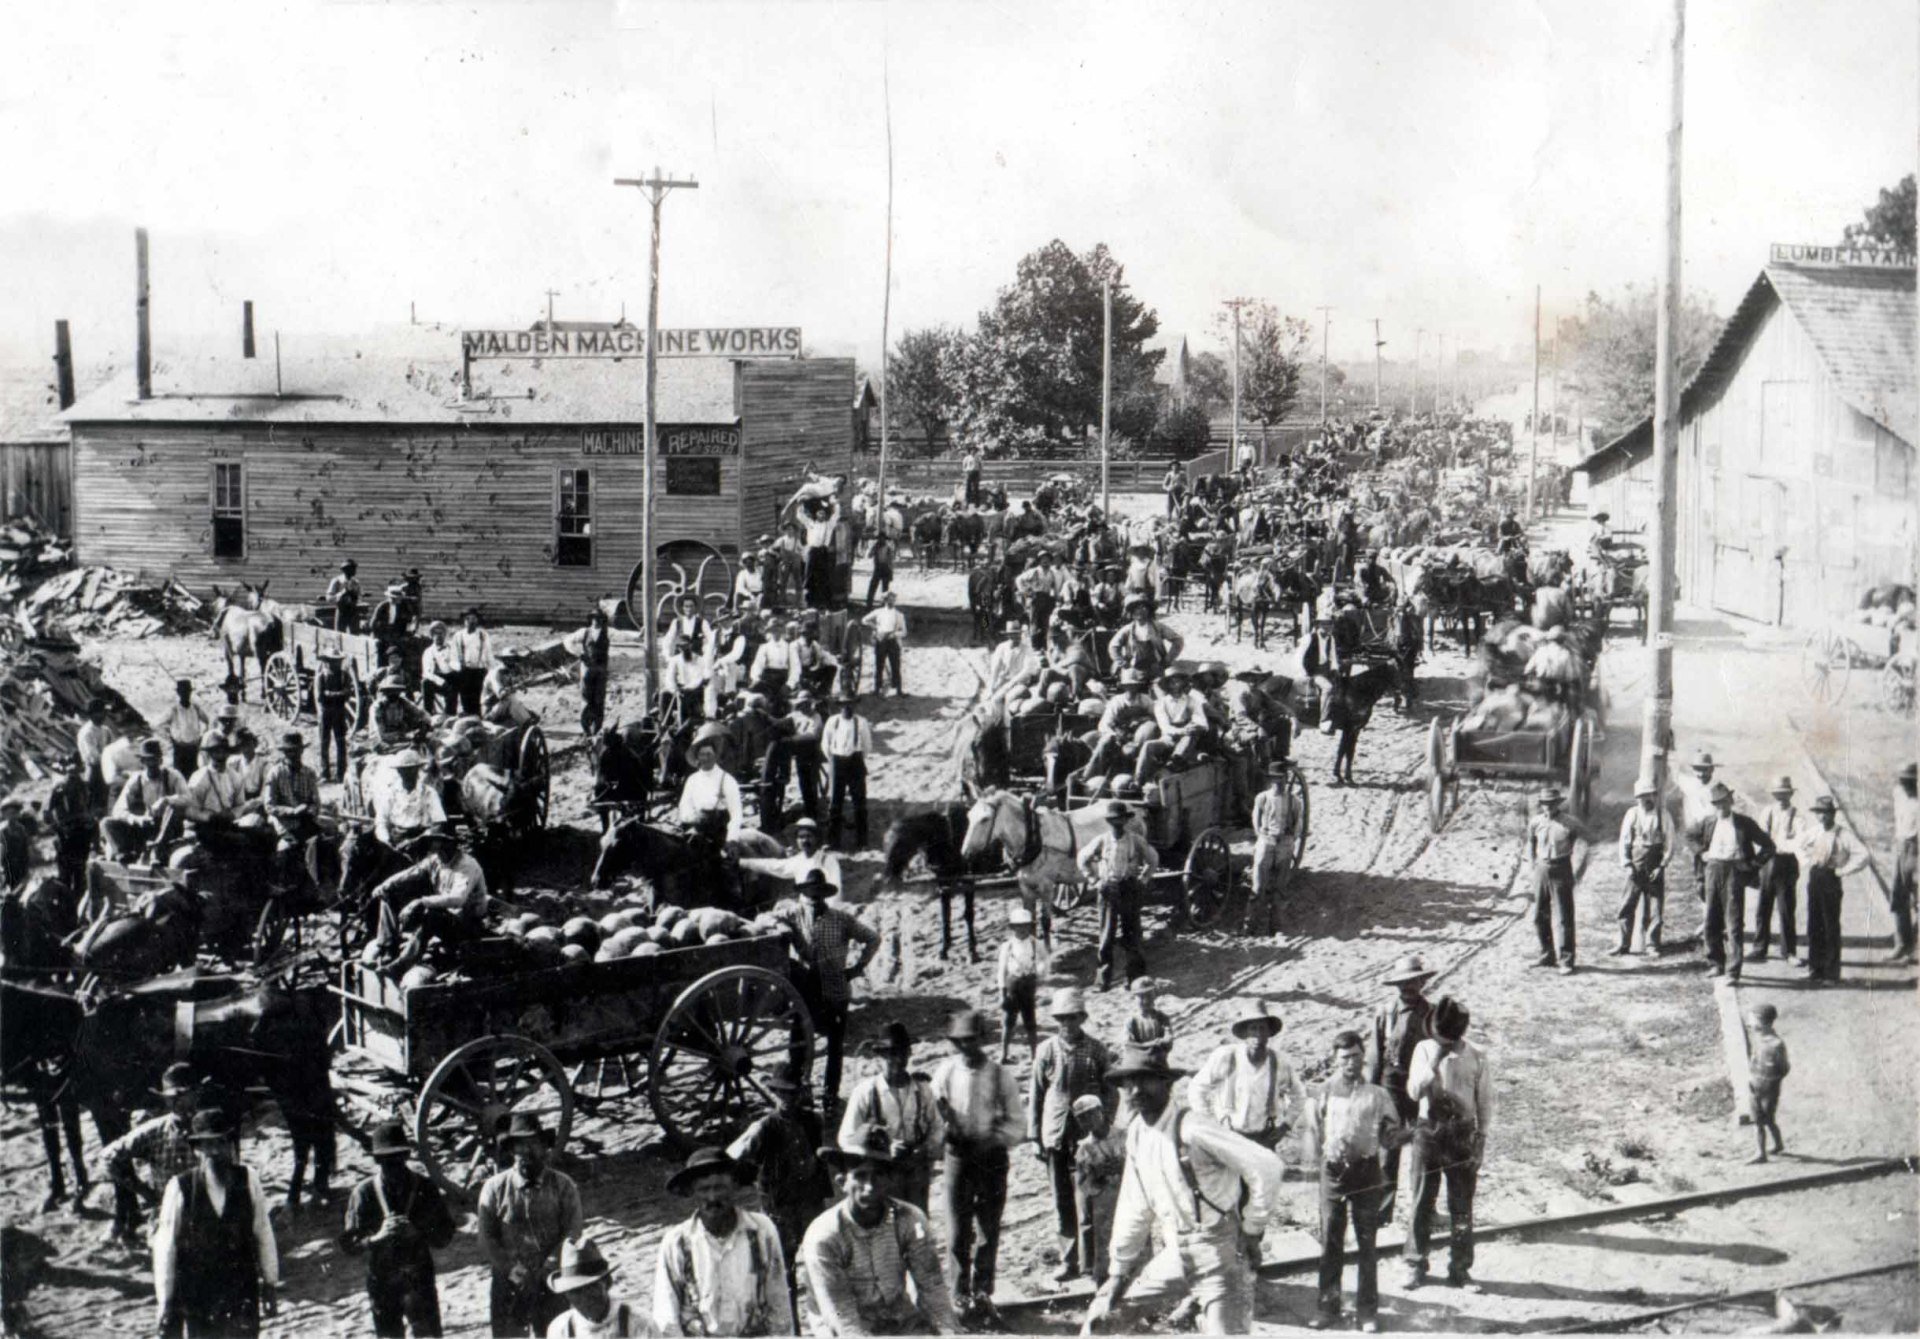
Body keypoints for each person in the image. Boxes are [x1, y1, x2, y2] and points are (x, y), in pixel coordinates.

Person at [1081, 1044, 1284, 1336]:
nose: (1136, 1090)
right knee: (1102, 1320)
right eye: (1130, 1082)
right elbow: (1134, 1206)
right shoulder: (1138, 1133)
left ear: (1166, 1082)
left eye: (1145, 1079)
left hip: (1219, 1254)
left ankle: (1206, 1314)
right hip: (1175, 1252)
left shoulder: (1193, 1128)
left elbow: (1267, 1166)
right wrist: (1117, 1272)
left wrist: (1253, 1229)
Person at [799, 1123, 959, 1336]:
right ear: (842, 1182)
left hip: (897, 1317)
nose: (870, 1186)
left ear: (891, 1179)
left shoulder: (910, 1220)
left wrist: (951, 1333)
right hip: (842, 1324)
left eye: (878, 1175)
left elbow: (932, 1288)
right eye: (860, 1176)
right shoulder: (824, 1235)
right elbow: (840, 1313)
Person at [1305, 1031, 1408, 1332]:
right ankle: (1327, 1308)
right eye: (1344, 1058)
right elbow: (1314, 1135)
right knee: (1331, 1243)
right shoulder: (1323, 1092)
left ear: (1364, 1057)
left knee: (1367, 1244)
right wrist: (1325, 1159)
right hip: (1334, 1174)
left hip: (1367, 1173)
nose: (1350, 1063)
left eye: (1355, 1056)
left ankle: (1367, 1312)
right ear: (1335, 1061)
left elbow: (1390, 1138)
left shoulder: (1378, 1095)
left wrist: (1409, 1134)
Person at [152, 1108, 279, 1339]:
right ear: (197, 1148)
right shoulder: (180, 1188)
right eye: (207, 1145)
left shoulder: (248, 1179)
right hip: (199, 1292)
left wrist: (270, 1283)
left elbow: (263, 1232)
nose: (215, 1151)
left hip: (241, 1288)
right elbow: (166, 1248)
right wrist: (166, 1302)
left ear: (230, 1144)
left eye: (220, 1143)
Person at [930, 1010, 1023, 1321]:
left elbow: (1018, 1124)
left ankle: (983, 1294)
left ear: (982, 1039)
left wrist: (993, 1137)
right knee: (957, 1230)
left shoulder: (1000, 1075)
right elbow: (932, 1113)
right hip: (958, 1157)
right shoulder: (945, 1072)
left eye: (972, 1040)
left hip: (991, 1158)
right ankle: (959, 1295)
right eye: (960, 1042)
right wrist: (946, 1127)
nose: (966, 1047)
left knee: (988, 1229)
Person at [1400, 998, 1492, 1292]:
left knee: (1462, 1207)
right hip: (1428, 1132)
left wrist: (1481, 1141)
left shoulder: (1477, 1056)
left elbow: (1485, 1102)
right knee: (1421, 1200)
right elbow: (1414, 1092)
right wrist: (1434, 1060)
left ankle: (1460, 1268)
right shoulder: (1423, 1050)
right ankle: (1415, 1264)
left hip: (1462, 1135)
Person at [653, 1147, 793, 1338]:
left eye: (719, 1187)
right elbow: (666, 1314)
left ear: (734, 1185)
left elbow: (778, 1300)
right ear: (693, 1191)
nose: (712, 1198)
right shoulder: (677, 1242)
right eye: (704, 1189)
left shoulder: (761, 1230)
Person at [727, 1062, 831, 1316]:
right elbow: (734, 1156)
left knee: (820, 1262)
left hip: (811, 1203)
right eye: (781, 1093)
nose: (786, 1099)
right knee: (785, 1273)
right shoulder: (764, 1127)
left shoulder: (814, 1121)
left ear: (800, 1093)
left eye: (791, 1093)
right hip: (780, 1208)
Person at [773, 870, 880, 1116]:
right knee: (797, 1044)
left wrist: (857, 968)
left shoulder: (841, 919)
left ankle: (830, 1096)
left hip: (835, 991)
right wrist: (782, 928)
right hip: (805, 991)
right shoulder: (794, 914)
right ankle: (799, 1092)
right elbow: (770, 918)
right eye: (809, 891)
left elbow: (873, 938)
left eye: (818, 892)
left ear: (824, 895)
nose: (813, 897)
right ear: (803, 893)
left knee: (835, 1046)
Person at [340, 1120, 457, 1338]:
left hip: (419, 1279)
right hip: (382, 1282)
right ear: (377, 1160)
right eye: (386, 1161)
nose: (394, 1166)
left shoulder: (425, 1188)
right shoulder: (364, 1193)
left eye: (398, 1158)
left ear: (406, 1156)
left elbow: (445, 1235)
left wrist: (420, 1232)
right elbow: (349, 1244)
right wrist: (377, 1238)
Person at [1028, 987, 1111, 1284]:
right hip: (1055, 1135)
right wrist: (1035, 1137)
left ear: (1082, 1018)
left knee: (1087, 1200)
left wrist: (1103, 1127)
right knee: (1062, 1200)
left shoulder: (1097, 1050)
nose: (1068, 1024)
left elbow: (1109, 1091)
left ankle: (1091, 1264)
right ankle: (1068, 1260)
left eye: (1073, 1018)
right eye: (1062, 1019)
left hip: (1086, 1137)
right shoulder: (1046, 1050)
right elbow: (1036, 1094)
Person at [477, 1113, 583, 1337]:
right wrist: (513, 1270)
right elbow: (487, 1238)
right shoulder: (494, 1188)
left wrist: (547, 1268)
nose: (526, 1153)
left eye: (532, 1144)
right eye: (519, 1147)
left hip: (552, 1281)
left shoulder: (563, 1186)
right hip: (510, 1281)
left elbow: (572, 1231)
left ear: (544, 1147)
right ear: (511, 1151)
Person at [838, 1022, 943, 1212]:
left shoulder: (922, 1091)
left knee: (916, 1220)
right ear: (880, 1056)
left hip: (916, 1173)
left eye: (903, 1053)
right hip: (881, 1175)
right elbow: (846, 1138)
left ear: (909, 1054)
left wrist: (925, 1148)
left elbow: (937, 1127)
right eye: (891, 1054)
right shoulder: (865, 1092)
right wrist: (883, 1149)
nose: (897, 1059)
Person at [1365, 953, 1434, 1221]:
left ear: (1421, 982)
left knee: (1424, 1147)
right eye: (1402, 983)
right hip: (1391, 1083)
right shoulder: (1385, 1013)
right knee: (1388, 1148)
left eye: (1413, 982)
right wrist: (1370, 1091)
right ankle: (1382, 1213)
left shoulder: (1432, 1014)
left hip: (1420, 1084)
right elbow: (1374, 1055)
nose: (1407, 988)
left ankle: (1423, 1209)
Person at [103, 1063, 202, 1251]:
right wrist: (143, 1191)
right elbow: (109, 1157)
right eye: (171, 1098)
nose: (176, 1103)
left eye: (182, 1095)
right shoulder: (155, 1130)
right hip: (167, 1217)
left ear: (197, 1093)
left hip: (207, 1218)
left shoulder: (211, 1128)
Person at [1188, 999, 1309, 1150]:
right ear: (1245, 1033)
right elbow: (1197, 1088)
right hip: (1230, 1137)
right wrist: (1212, 1123)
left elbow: (1299, 1095)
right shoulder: (1226, 1056)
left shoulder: (1279, 1062)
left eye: (1262, 1028)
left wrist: (1285, 1126)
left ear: (1269, 1033)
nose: (1258, 1035)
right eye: (1253, 1029)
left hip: (1264, 1138)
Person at [1686, 782, 1775, 981]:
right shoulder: (1708, 822)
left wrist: (1752, 864)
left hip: (1734, 872)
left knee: (1733, 922)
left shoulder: (1744, 823)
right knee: (1711, 920)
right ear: (1713, 805)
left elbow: (1769, 845)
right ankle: (1716, 963)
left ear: (1731, 801)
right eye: (1717, 804)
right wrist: (1702, 853)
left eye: (1724, 802)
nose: (1721, 807)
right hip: (1713, 870)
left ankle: (1733, 971)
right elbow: (1690, 836)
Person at [371, 827, 488, 957]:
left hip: (466, 923)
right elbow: (411, 873)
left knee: (431, 915)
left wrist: (421, 902)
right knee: (389, 894)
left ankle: (402, 963)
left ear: (448, 842)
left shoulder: (467, 865)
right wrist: (385, 885)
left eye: (434, 840)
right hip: (446, 916)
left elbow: (458, 899)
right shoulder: (435, 860)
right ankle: (388, 948)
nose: (430, 844)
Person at [1079, 799, 1157, 990]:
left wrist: (1143, 878)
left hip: (1129, 889)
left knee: (1132, 936)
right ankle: (1103, 981)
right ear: (1109, 822)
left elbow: (1152, 859)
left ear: (1126, 820)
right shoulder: (1102, 840)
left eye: (1121, 819)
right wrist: (1093, 880)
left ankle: (1135, 979)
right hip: (1108, 891)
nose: (1118, 823)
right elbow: (1083, 859)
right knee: (1106, 937)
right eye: (1114, 820)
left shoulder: (1135, 840)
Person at [1798, 795, 1870, 983]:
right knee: (1814, 925)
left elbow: (1863, 855)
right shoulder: (1814, 831)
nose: (1822, 817)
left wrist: (1843, 870)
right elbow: (1798, 846)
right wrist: (1806, 861)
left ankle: (1831, 973)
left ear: (1833, 814)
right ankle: (1815, 969)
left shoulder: (1843, 834)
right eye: (1819, 813)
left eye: (1825, 813)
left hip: (1831, 878)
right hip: (1815, 876)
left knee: (1830, 926)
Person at [1069, 1095, 1126, 1290]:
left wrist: (1122, 1166)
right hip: (1104, 1204)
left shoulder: (1123, 1136)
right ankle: (1104, 1286)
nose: (1087, 1121)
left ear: (1101, 1112)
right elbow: (1084, 1186)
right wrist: (1096, 1174)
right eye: (1082, 1118)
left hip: (1128, 1197)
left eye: (1090, 1114)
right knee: (1105, 1246)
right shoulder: (1084, 1148)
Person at [1527, 786, 1584, 974]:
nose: (1548, 807)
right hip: (1542, 869)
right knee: (1538, 915)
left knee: (1563, 917)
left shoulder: (1569, 823)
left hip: (1562, 868)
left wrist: (1578, 870)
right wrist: (1532, 865)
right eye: (1545, 804)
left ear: (1558, 804)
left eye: (1551, 804)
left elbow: (1584, 843)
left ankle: (1566, 960)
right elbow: (1530, 842)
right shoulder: (1535, 822)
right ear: (1541, 805)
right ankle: (1547, 954)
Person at [102, 739, 188, 862]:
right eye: (148, 760)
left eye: (154, 760)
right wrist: (137, 819)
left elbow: (188, 798)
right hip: (144, 827)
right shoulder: (135, 780)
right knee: (106, 823)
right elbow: (118, 810)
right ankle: (124, 854)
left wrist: (167, 800)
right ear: (142, 762)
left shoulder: (173, 776)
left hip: (167, 827)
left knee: (173, 809)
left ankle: (157, 850)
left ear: (161, 760)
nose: (152, 764)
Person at [547, 1239, 650, 1338]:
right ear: (566, 1295)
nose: (585, 1298)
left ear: (607, 1283)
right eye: (576, 1291)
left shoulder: (638, 1323)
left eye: (591, 1287)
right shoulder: (560, 1330)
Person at [1616, 775, 1671, 956]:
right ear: (1637, 798)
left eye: (1650, 795)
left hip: (1655, 862)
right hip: (1636, 862)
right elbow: (1624, 841)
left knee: (1654, 904)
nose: (1646, 799)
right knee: (1627, 903)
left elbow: (1670, 843)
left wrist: (1661, 866)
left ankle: (1652, 944)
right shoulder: (1632, 814)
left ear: (1655, 796)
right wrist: (1627, 864)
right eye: (1642, 796)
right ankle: (1624, 943)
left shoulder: (1663, 815)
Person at [1246, 761, 1303, 937]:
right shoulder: (1262, 798)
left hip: (1284, 845)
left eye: (1281, 779)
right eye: (1274, 779)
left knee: (1280, 888)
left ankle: (1276, 927)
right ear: (1270, 780)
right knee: (1257, 887)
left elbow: (1298, 824)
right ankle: (1249, 926)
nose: (1277, 782)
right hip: (1266, 842)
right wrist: (1262, 836)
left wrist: (1289, 840)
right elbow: (1256, 819)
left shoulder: (1294, 801)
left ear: (1286, 779)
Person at [262, 731, 324, 888]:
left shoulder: (309, 773)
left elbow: (316, 802)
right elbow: (269, 805)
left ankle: (319, 885)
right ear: (284, 752)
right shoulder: (275, 773)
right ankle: (282, 887)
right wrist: (292, 811)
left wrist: (309, 809)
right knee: (287, 849)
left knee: (321, 843)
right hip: (284, 822)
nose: (293, 754)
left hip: (305, 819)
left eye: (296, 750)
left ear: (302, 751)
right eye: (289, 751)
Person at [1754, 776, 1804, 964]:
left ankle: (1789, 952)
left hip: (1787, 863)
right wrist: (1775, 843)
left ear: (1791, 794)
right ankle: (1759, 949)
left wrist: (1781, 843)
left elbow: (1799, 840)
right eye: (1778, 794)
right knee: (1763, 907)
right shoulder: (1767, 812)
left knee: (1786, 909)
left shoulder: (1797, 816)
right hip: (1769, 862)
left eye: (1785, 794)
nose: (1781, 797)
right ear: (1774, 795)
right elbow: (1761, 836)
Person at [996, 907, 1050, 1062]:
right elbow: (1001, 970)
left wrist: (1039, 974)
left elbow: (1045, 960)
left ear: (1030, 926)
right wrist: (1002, 993)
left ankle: (1034, 1055)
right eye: (1018, 926)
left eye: (1025, 925)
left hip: (1028, 985)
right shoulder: (1008, 946)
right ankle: (1004, 1054)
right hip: (1012, 984)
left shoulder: (1035, 943)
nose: (1022, 929)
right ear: (1012, 927)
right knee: (1008, 1021)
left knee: (1030, 1021)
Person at [676, 728, 742, 849]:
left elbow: (736, 814)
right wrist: (692, 819)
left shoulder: (727, 780)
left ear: (715, 756)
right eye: (702, 754)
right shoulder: (692, 780)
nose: (705, 758)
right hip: (695, 832)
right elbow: (684, 806)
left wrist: (732, 839)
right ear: (697, 757)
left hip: (720, 835)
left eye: (709, 754)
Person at [821, 696, 872, 850]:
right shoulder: (833, 721)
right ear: (840, 706)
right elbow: (826, 743)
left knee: (859, 802)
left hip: (855, 761)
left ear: (854, 705)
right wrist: (833, 760)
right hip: (837, 760)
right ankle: (833, 841)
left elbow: (867, 745)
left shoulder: (861, 722)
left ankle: (862, 841)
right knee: (835, 802)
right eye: (844, 704)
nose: (847, 707)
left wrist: (856, 758)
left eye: (850, 704)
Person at [371, 750, 447, 849]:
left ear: (418, 769)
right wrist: (387, 841)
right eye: (404, 770)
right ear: (398, 771)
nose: (408, 773)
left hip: (422, 842)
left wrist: (419, 839)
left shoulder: (429, 793)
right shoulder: (390, 793)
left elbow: (438, 823)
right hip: (396, 842)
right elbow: (381, 821)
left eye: (412, 769)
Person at [1744, 1003, 1790, 1165]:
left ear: (1763, 1022)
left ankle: (1771, 1148)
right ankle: (1767, 1150)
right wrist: (1752, 1077)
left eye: (1752, 1021)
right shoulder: (1758, 1038)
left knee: (1767, 1120)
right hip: (1755, 1085)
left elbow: (1784, 1068)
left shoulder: (1776, 1045)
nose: (1749, 1024)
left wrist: (1770, 1080)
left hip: (1769, 1089)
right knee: (1759, 1121)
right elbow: (1754, 1059)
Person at [44, 751, 96, 893]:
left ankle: (78, 900)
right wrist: (58, 829)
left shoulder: (84, 786)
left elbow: (90, 808)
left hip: (82, 832)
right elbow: (47, 813)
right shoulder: (59, 788)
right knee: (65, 873)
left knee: (81, 871)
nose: (73, 772)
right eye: (70, 769)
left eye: (76, 769)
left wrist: (89, 825)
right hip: (66, 834)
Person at [1890, 762, 1918, 964]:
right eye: (1902, 780)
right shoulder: (1898, 794)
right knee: (1898, 896)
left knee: (1917, 900)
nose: (1905, 785)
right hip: (1900, 847)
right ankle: (1901, 944)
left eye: (1909, 782)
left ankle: (1915, 949)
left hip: (1917, 849)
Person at [160, 679, 210, 777]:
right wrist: (171, 739)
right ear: (178, 693)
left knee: (194, 775)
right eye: (182, 691)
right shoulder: (174, 709)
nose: (185, 694)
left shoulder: (195, 708)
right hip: (179, 748)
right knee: (179, 775)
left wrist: (201, 738)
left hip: (193, 748)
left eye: (187, 691)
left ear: (190, 692)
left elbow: (207, 721)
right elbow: (160, 725)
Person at [575, 608, 612, 737]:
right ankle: (586, 729)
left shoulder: (607, 632)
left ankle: (597, 729)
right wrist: (579, 653)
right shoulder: (584, 632)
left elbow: (623, 635)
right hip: (587, 670)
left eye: (598, 618)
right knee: (586, 699)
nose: (596, 620)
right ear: (591, 619)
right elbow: (567, 641)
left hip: (601, 669)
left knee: (599, 699)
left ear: (602, 620)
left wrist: (638, 635)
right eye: (594, 618)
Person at [861, 593, 905, 697]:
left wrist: (894, 634)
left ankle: (898, 689)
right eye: (888, 600)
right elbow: (864, 620)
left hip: (893, 641)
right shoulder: (878, 612)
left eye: (893, 600)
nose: (891, 602)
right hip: (881, 640)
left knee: (895, 665)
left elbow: (904, 632)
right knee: (879, 665)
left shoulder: (899, 615)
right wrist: (876, 627)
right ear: (884, 601)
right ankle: (877, 689)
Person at [453, 607, 492, 717]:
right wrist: (458, 666)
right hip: (464, 671)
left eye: (473, 618)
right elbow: (453, 655)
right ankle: (468, 720)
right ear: (464, 621)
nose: (470, 621)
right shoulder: (458, 636)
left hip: (479, 671)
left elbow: (488, 653)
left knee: (478, 699)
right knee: (466, 700)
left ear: (477, 620)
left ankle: (478, 720)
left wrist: (490, 669)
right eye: (468, 619)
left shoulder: (483, 635)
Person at [1124, 978, 1173, 1054]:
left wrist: (1165, 1041)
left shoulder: (1162, 1018)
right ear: (1134, 998)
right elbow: (1128, 1044)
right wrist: (1152, 1044)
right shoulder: (1132, 1020)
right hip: (1137, 1060)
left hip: (1158, 1059)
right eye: (1141, 997)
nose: (1146, 1001)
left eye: (1149, 996)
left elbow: (1169, 1040)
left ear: (1154, 996)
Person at [420, 622, 456, 716]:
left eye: (441, 633)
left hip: (452, 677)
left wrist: (450, 662)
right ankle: (428, 714)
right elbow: (427, 673)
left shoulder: (452, 648)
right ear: (432, 636)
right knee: (425, 683)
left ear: (445, 635)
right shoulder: (428, 652)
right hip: (437, 680)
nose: (439, 636)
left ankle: (451, 715)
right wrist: (441, 682)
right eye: (435, 633)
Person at [326, 558, 363, 633]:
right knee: (339, 634)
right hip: (342, 611)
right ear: (345, 570)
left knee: (355, 634)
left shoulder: (355, 582)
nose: (355, 571)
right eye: (352, 568)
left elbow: (360, 597)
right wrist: (341, 594)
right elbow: (329, 598)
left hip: (353, 611)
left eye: (355, 568)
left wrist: (355, 595)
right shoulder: (337, 581)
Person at [865, 532, 896, 610]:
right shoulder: (876, 546)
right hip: (878, 568)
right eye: (879, 538)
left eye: (882, 538)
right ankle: (869, 604)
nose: (881, 540)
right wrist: (873, 548)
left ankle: (884, 605)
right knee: (873, 586)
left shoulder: (888, 547)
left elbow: (890, 561)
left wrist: (891, 572)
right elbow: (869, 555)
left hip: (885, 568)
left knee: (885, 589)